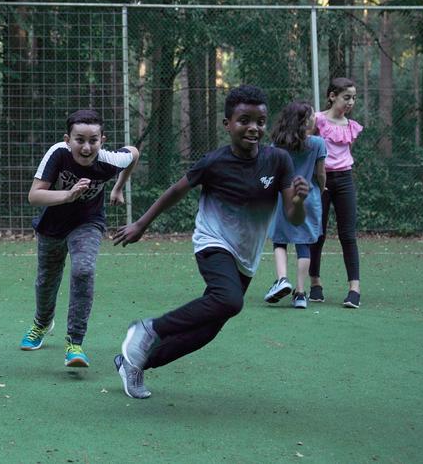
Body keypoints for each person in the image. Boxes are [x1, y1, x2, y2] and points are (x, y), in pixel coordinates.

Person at [111, 85, 309, 399]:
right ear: (227, 124)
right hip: (212, 242)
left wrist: (298, 201)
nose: (253, 128)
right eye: (244, 120)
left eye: (259, 121)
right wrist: (141, 224)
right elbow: (175, 191)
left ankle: (133, 363)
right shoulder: (214, 162)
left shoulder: (279, 161)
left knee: (207, 330)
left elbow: (294, 218)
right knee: (230, 300)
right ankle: (149, 329)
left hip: (246, 256)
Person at [18, 109, 140, 368]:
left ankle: (75, 343)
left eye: (93, 140)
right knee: (46, 281)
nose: (86, 147)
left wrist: (118, 187)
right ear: (67, 139)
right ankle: (41, 323)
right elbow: (34, 196)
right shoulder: (57, 154)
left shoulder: (109, 160)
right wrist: (68, 195)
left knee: (84, 270)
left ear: (102, 140)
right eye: (79, 140)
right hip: (53, 224)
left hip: (88, 223)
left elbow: (133, 154)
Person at [263, 101, 327, 309]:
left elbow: (271, 173)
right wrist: (322, 188)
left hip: (284, 196)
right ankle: (300, 293)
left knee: (279, 241)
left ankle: (282, 279)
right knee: (303, 244)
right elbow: (320, 173)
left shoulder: (276, 145)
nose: (315, 118)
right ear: (305, 121)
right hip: (309, 196)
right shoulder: (318, 143)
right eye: (311, 116)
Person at [308, 78, 363, 309]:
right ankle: (315, 285)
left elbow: (346, 152)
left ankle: (354, 289)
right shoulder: (318, 120)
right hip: (320, 181)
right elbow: (308, 147)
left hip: (344, 181)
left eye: (353, 98)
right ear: (332, 96)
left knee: (347, 235)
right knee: (317, 234)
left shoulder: (351, 126)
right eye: (346, 97)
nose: (350, 102)